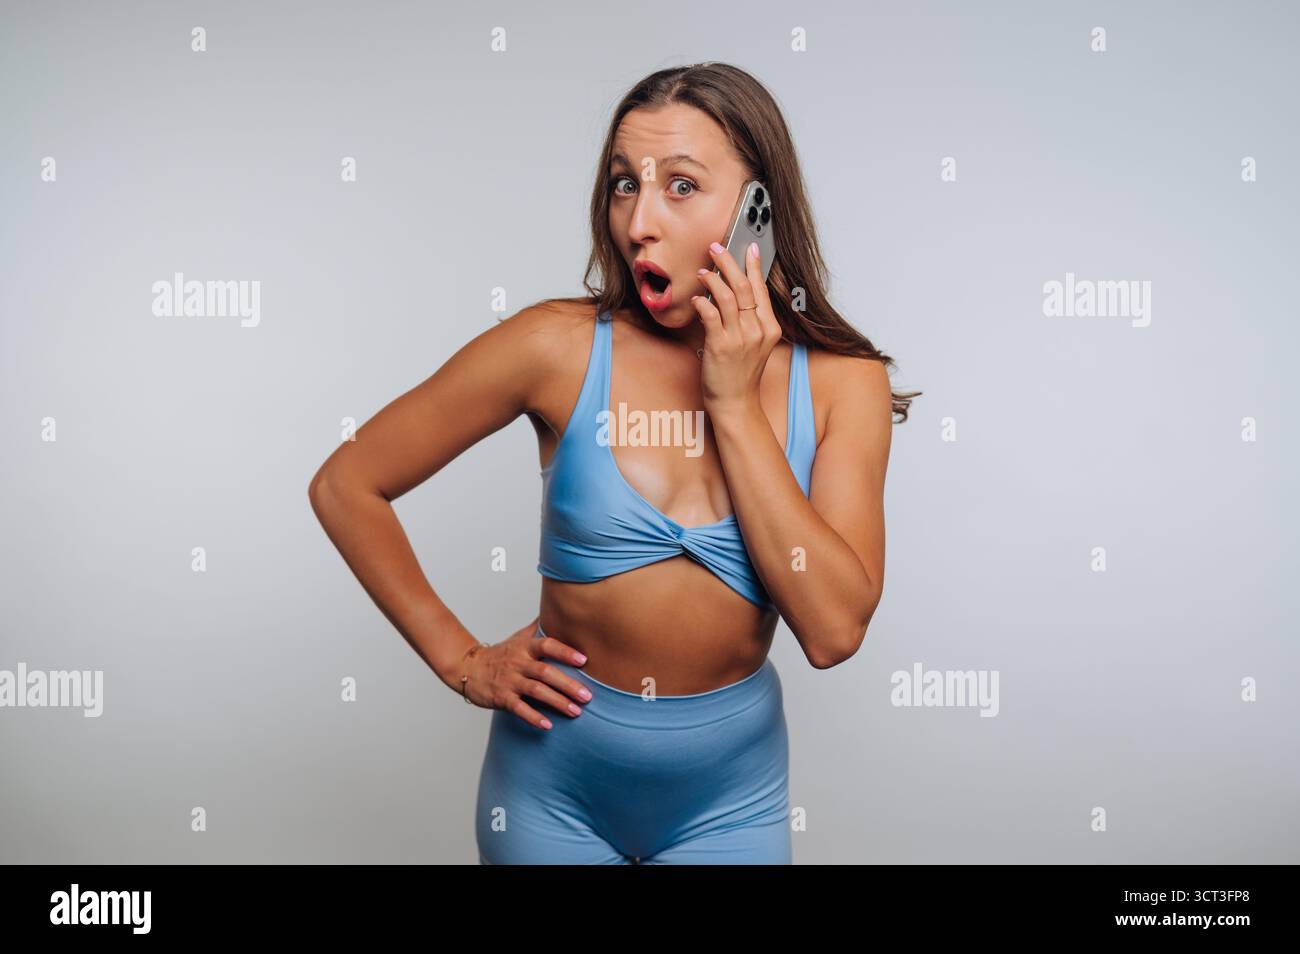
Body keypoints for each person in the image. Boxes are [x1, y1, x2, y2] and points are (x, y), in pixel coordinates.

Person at [308, 62, 920, 864]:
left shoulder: (845, 385)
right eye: (624, 184)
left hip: (729, 803)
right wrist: (461, 660)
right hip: (551, 794)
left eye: (681, 186)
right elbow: (347, 483)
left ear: (756, 212)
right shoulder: (554, 347)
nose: (638, 222)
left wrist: (733, 404)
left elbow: (834, 630)